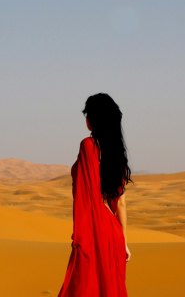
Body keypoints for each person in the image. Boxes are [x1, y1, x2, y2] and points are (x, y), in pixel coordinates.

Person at [58, 93, 132, 297]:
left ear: (92, 120)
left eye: (87, 114)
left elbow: (83, 199)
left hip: (92, 231)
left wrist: (79, 236)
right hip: (113, 232)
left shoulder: (88, 146)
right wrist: (123, 241)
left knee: (83, 288)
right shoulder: (115, 153)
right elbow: (121, 203)